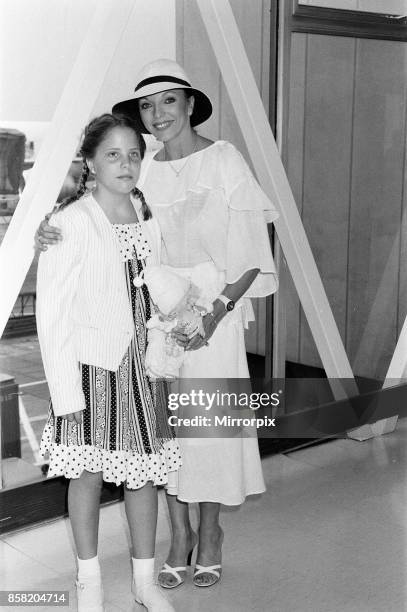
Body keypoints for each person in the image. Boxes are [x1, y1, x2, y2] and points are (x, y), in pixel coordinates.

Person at [36, 59, 278, 590]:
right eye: (148, 104)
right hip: (150, 319)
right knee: (164, 437)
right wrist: (45, 230)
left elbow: (253, 252)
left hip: (213, 308)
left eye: (169, 100)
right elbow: (102, 215)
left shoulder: (224, 159)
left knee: (208, 429)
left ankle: (211, 536)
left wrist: (215, 313)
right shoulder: (144, 169)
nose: (158, 113)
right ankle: (178, 536)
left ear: (191, 104)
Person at [36, 113, 180, 612]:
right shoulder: (68, 223)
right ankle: (89, 582)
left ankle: (144, 581)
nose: (126, 164)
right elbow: (51, 316)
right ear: (91, 162)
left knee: (144, 475)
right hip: (92, 370)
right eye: (114, 154)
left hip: (145, 368)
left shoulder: (146, 212)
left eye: (134, 154)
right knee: (89, 476)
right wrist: (64, 395)